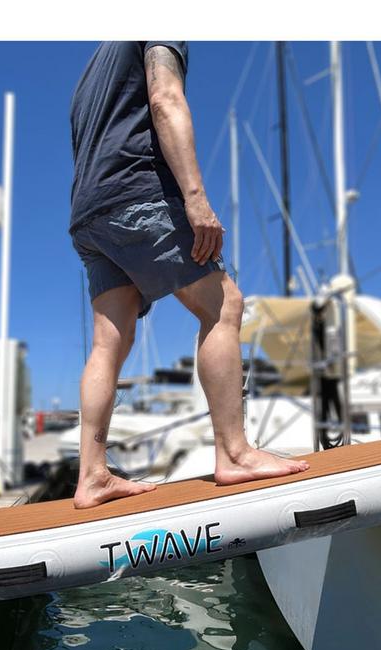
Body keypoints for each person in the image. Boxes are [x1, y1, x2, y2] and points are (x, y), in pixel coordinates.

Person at [69, 41, 308, 509]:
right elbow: (165, 99)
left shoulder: (89, 76)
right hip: (137, 192)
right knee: (223, 305)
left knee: (108, 343)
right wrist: (195, 199)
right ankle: (234, 453)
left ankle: (92, 475)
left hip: (88, 213)